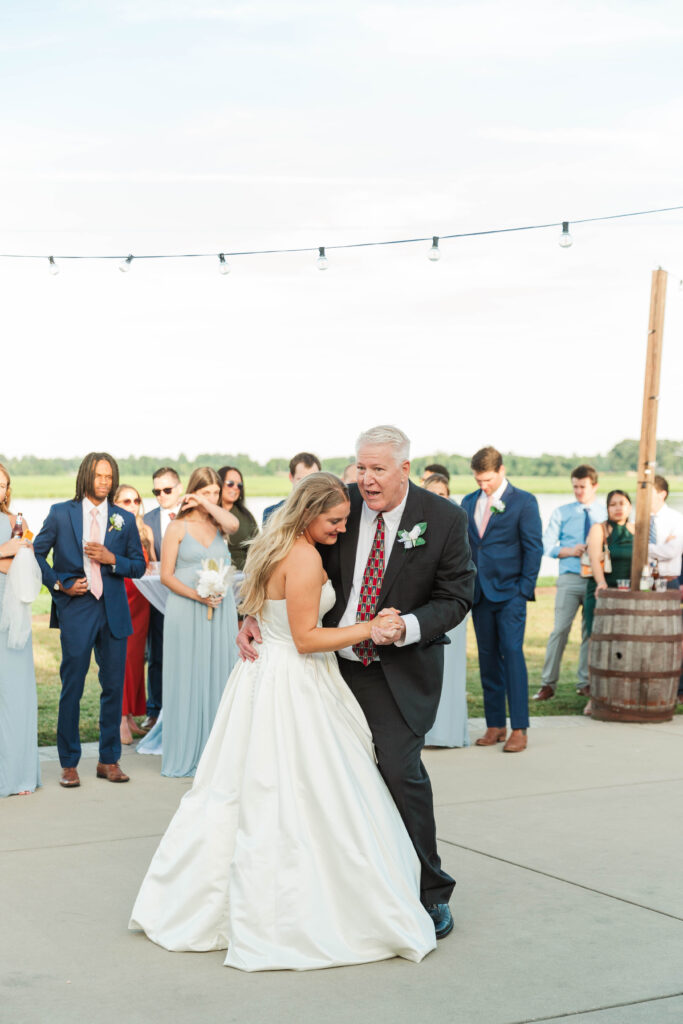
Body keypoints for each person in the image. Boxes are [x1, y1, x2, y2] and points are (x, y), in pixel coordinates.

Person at [129, 472, 437, 970]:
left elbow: (260, 608)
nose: (342, 528)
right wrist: (373, 627)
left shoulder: (276, 546)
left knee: (245, 786)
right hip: (292, 680)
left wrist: (252, 621)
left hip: (261, 678)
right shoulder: (304, 556)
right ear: (311, 514)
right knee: (302, 789)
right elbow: (305, 639)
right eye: (335, 520)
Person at [239, 426, 475, 940]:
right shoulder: (334, 501)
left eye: (378, 470)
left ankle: (430, 891)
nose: (365, 480)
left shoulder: (443, 521)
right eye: (361, 468)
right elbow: (276, 549)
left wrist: (404, 627)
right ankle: (344, 887)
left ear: (405, 469)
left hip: (397, 672)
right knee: (325, 778)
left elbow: (456, 597)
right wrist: (255, 612)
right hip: (324, 669)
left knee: (397, 769)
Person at [33, 453, 146, 787]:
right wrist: (59, 584)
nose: (104, 482)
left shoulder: (123, 518)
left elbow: (138, 565)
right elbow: (37, 553)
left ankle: (109, 760)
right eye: (99, 476)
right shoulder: (60, 514)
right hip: (77, 609)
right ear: (86, 477)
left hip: (113, 612)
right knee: (73, 686)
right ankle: (68, 763)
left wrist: (113, 559)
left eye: (109, 477)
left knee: (113, 687)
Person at [157, 467, 240, 777]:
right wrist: (198, 595)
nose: (213, 498)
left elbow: (233, 522)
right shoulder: (177, 528)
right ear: (193, 492)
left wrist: (206, 505)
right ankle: (186, 750)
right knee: (188, 675)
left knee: (220, 673)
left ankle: (217, 752)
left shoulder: (222, 526)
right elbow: (166, 576)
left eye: (216, 493)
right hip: (186, 608)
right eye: (206, 493)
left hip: (220, 609)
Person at [462, 446, 543, 753]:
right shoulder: (469, 502)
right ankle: (495, 724)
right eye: (479, 480)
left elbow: (533, 548)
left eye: (488, 480)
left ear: (501, 470)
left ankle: (519, 728)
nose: (483, 486)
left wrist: (524, 589)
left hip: (511, 594)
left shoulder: (523, 501)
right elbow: (469, 547)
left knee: (512, 657)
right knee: (487, 660)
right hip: (479, 594)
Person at [532, 466, 606, 702]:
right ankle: (547, 684)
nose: (578, 491)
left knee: (590, 632)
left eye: (583, 486)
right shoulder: (562, 512)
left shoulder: (605, 513)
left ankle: (584, 682)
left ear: (594, 486)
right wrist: (568, 551)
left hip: (596, 580)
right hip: (570, 578)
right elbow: (545, 545)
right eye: (575, 486)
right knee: (560, 630)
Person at [0, 463, 40, 797]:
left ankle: (16, 774)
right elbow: (10, 558)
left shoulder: (18, 522)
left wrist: (13, 556)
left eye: (3, 485)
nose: (0, 490)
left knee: (15, 692)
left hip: (12, 611)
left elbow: (27, 564)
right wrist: (4, 553)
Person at [421, 473, 469, 748]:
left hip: (450, 606)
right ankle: (427, 730)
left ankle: (450, 731)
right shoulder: (416, 525)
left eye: (444, 494)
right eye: (433, 494)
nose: (440, 499)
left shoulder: (455, 521)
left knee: (451, 669)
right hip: (424, 606)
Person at [141, 467, 183, 732]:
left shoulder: (193, 517)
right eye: (156, 491)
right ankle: (154, 710)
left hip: (188, 593)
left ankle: (181, 707)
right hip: (158, 597)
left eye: (166, 490)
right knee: (157, 654)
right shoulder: (146, 520)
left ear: (179, 489)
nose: (161, 495)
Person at [114, 485, 156, 746]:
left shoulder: (145, 530)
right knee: (121, 658)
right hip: (123, 595)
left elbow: (151, 562)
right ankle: (118, 718)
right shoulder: (113, 527)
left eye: (136, 500)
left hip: (143, 598)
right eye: (126, 500)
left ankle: (130, 715)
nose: (132, 504)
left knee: (137, 658)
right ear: (116, 503)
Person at [217, 466, 258, 573]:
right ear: (219, 484)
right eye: (230, 483)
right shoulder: (207, 513)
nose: (235, 488)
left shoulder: (246, 517)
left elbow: (258, 548)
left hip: (242, 573)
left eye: (239, 485)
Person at [262, 452, 321, 524]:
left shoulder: (329, 511)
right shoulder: (271, 513)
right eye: (301, 480)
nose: (307, 485)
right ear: (291, 477)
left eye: (312, 480)